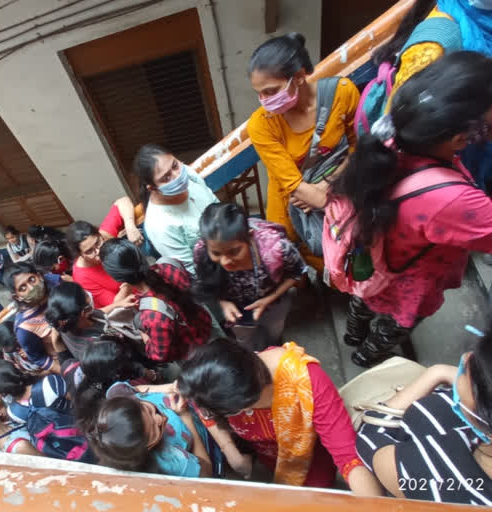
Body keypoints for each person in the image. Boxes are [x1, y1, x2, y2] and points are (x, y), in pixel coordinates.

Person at [332, 52, 492, 367]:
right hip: (411, 281)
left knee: (363, 301)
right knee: (395, 324)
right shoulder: (453, 199)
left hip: (370, 259)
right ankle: (367, 356)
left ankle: (354, 335)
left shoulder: (388, 137)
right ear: (461, 137)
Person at [176, 339, 381, 494]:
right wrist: (230, 451)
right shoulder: (210, 382)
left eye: (229, 412)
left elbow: (349, 459)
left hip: (309, 461)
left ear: (249, 400)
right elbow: (201, 404)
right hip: (268, 458)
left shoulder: (306, 383)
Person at [247, 33, 360, 271]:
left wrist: (328, 185)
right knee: (290, 249)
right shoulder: (261, 125)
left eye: (270, 91)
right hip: (290, 198)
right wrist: (321, 196)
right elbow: (296, 187)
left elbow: (359, 148)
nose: (264, 101)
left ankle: (348, 284)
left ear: (298, 77)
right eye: (259, 93)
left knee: (345, 246)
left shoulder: (342, 93)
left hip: (342, 184)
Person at [356, 329, 492, 505]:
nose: (466, 357)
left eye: (471, 370)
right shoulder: (482, 422)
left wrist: (436, 373)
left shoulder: (435, 478)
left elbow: (369, 437)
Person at [193, 203, 306, 348]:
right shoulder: (201, 252)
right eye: (216, 254)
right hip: (236, 309)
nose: (225, 262)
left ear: (250, 236)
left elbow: (297, 272)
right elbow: (206, 282)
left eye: (234, 252)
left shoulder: (277, 249)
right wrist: (223, 302)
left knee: (273, 332)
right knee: (244, 337)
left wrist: (267, 300)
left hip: (274, 303)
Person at [74, 378, 216, 477]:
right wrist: (186, 417)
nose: (161, 418)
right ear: (146, 448)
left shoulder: (116, 393)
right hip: (207, 433)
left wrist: (168, 388)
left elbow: (134, 389)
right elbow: (207, 472)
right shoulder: (171, 461)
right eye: (155, 430)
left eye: (149, 410)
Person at [100, 238, 211, 363]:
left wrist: (144, 335)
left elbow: (160, 355)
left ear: (117, 278)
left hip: (191, 354)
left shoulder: (153, 316)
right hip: (205, 326)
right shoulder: (169, 264)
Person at [132, 145, 219, 274]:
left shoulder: (188, 174)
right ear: (152, 188)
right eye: (166, 178)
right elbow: (192, 270)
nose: (177, 176)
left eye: (174, 165)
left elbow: (216, 204)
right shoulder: (159, 225)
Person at [45, 281, 145, 363]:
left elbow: (97, 313)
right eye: (85, 294)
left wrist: (118, 304)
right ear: (84, 312)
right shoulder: (100, 342)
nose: (88, 293)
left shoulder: (64, 322)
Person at [4, 262, 69, 373]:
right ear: (17, 297)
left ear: (39, 276)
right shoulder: (25, 327)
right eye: (22, 288)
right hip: (68, 356)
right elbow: (39, 358)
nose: (31, 288)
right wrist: (69, 371)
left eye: (32, 280)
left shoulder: (55, 282)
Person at [67, 221, 133, 310]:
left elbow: (119, 207)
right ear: (80, 254)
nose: (98, 251)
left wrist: (130, 225)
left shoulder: (104, 238)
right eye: (89, 251)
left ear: (99, 234)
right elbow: (116, 305)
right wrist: (128, 281)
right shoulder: (82, 277)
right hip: (127, 304)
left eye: (97, 243)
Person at [0, 360, 70, 424]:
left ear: (1, 392)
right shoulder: (50, 383)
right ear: (16, 369)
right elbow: (76, 399)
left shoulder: (13, 413)